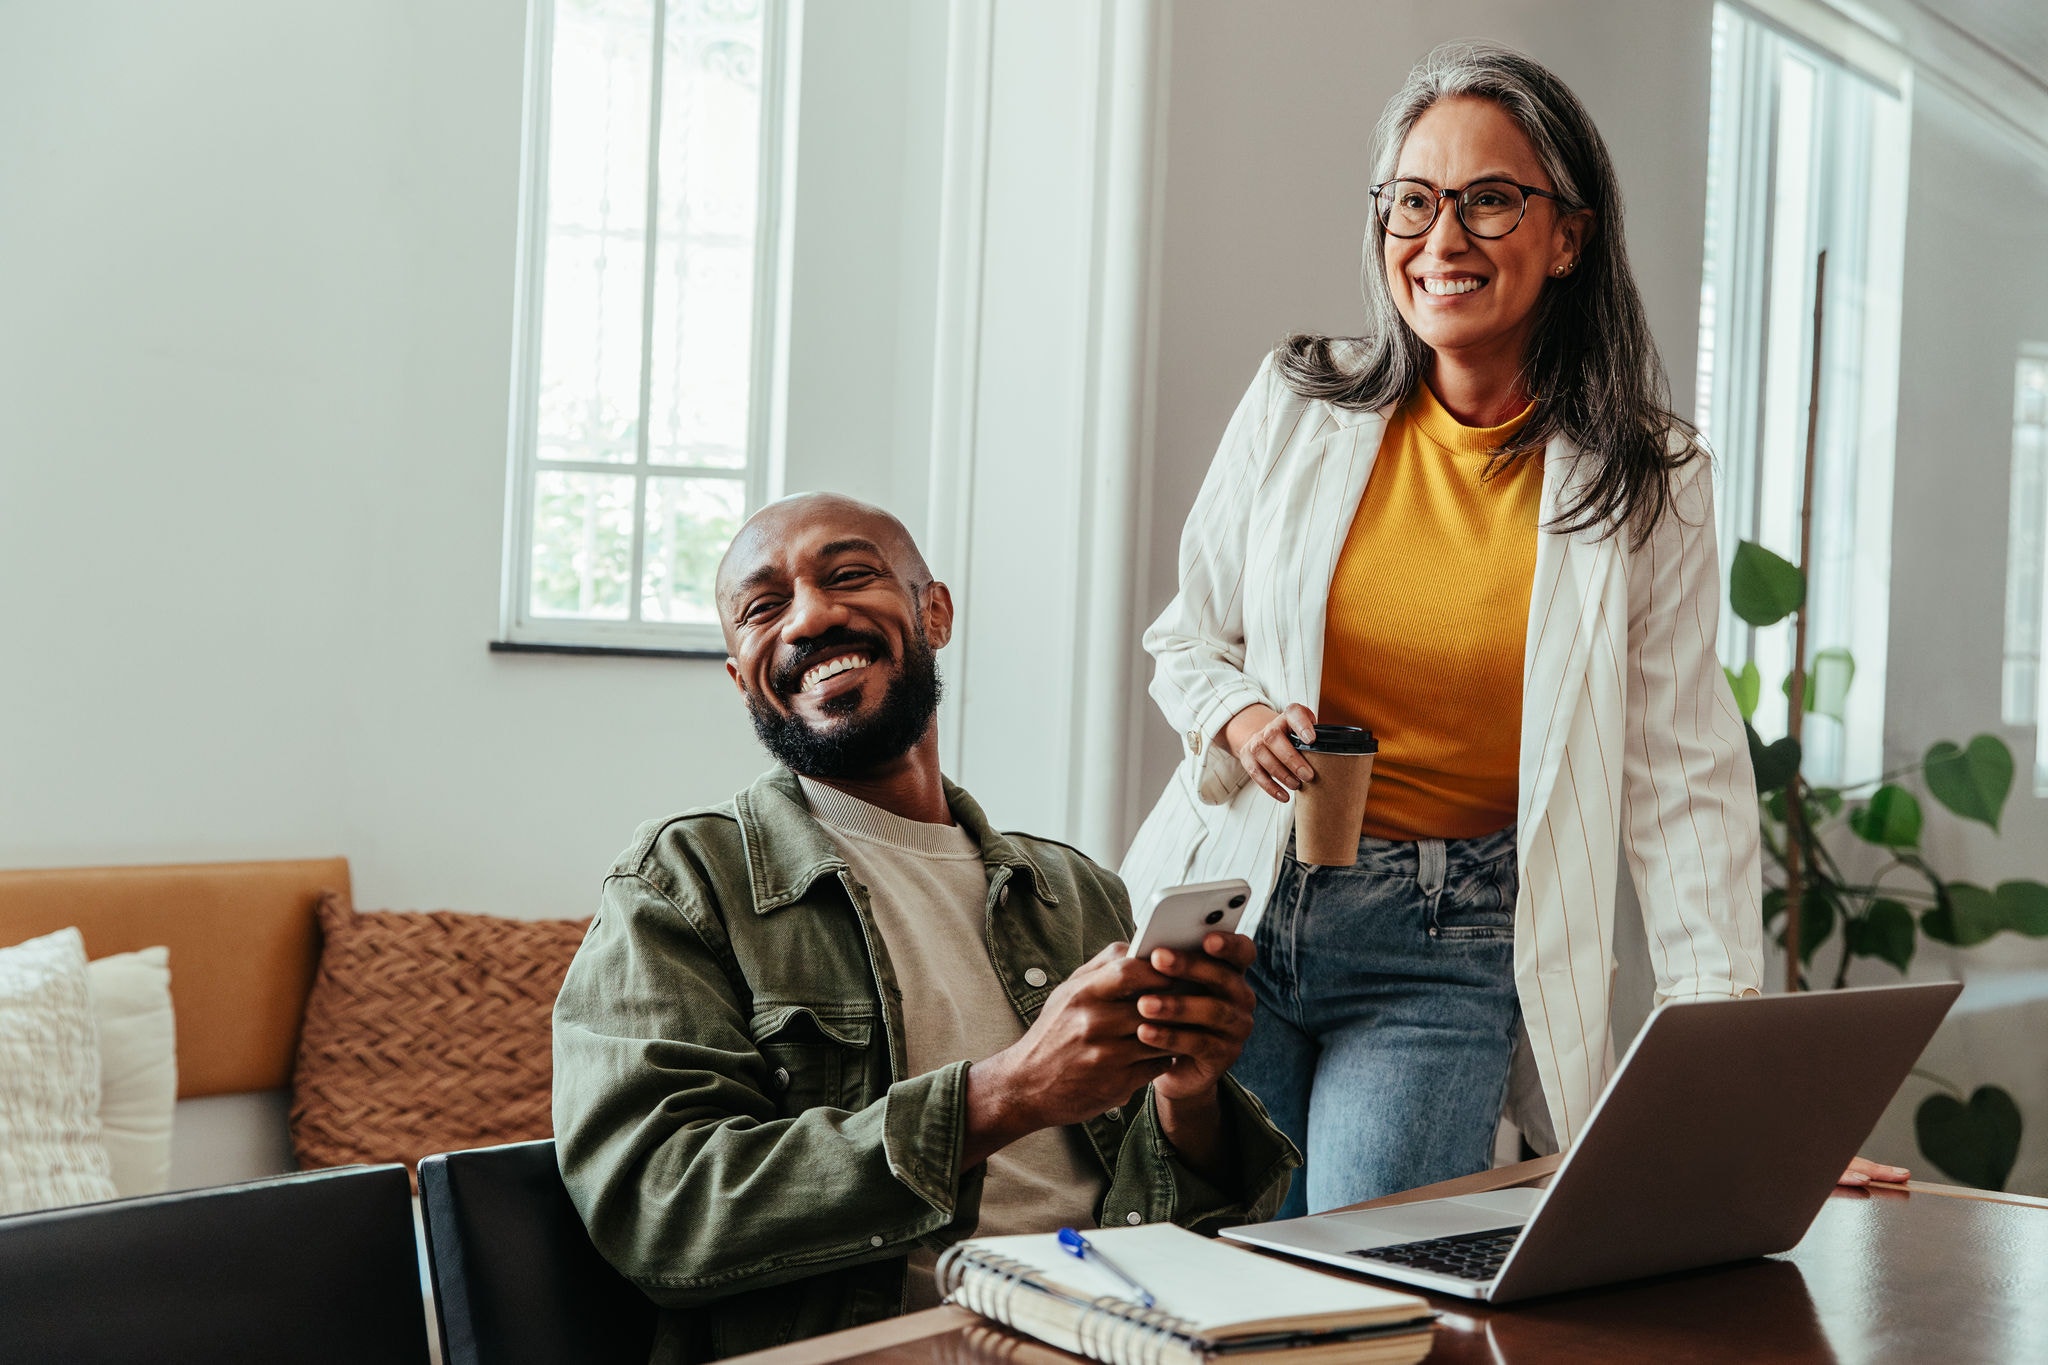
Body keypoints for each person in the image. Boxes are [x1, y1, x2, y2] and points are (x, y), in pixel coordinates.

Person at [1119, 41, 1905, 1215]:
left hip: (1445, 947)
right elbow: (1187, 639)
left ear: (1566, 235)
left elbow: (1682, 776)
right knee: (1209, 1254)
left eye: (1489, 201)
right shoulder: (1298, 401)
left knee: (1369, 1274)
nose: (1442, 240)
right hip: (1242, 907)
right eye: (1413, 200)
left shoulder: (1649, 477)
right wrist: (1232, 713)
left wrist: (1733, 1099)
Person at [553, 493, 1297, 1363]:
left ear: (932, 611)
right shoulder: (681, 884)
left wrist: (1188, 1095)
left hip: (1120, 1334)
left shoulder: (1078, 889)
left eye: (849, 575)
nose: (813, 616)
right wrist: (1007, 1092)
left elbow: (1182, 1224)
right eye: (764, 607)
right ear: (740, 670)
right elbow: (659, 1209)